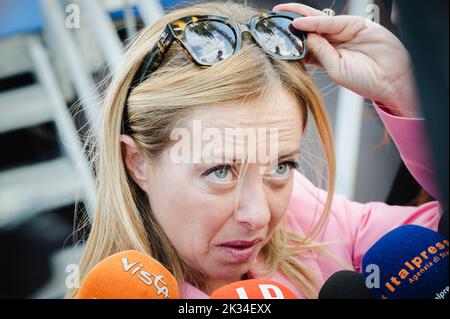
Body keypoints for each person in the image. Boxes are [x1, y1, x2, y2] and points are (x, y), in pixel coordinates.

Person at [66, 2, 442, 299]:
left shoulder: (305, 221)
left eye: (281, 166)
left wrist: (405, 91)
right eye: (220, 171)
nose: (259, 215)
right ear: (137, 163)